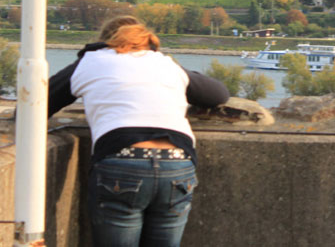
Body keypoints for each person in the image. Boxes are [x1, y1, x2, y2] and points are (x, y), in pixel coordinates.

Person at [48, 15, 230, 247]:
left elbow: (38, 100)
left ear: (106, 40)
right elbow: (218, 94)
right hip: (177, 162)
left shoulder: (91, 60)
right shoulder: (163, 63)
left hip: (122, 160)